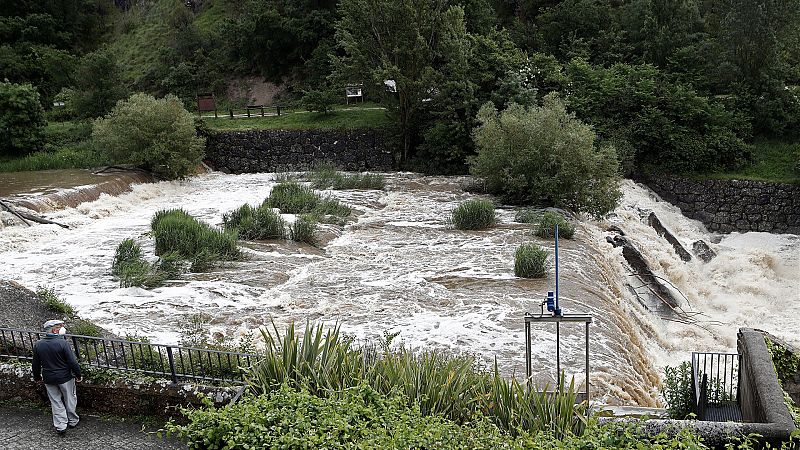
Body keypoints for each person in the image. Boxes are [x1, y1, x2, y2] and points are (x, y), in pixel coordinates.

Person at [32, 319, 82, 436]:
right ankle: (73, 421)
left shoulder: (38, 344)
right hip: (65, 377)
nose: (61, 329)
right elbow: (72, 362)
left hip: (48, 377)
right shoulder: (63, 343)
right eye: (59, 327)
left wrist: (37, 377)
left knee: (55, 401)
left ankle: (60, 426)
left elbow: (35, 364)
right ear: (54, 330)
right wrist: (78, 375)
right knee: (69, 398)